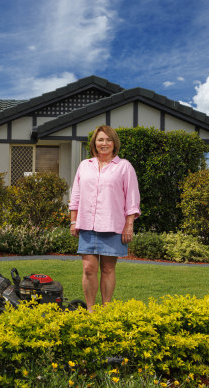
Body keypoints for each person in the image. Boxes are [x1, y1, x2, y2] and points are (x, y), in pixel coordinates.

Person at [69, 125, 140, 312]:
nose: (104, 143)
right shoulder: (85, 166)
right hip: (87, 226)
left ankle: (106, 309)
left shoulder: (124, 167)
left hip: (112, 226)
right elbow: (75, 195)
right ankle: (91, 311)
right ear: (94, 143)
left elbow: (132, 198)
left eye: (108, 140)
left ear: (114, 143)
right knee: (88, 269)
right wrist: (73, 220)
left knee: (108, 269)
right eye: (100, 139)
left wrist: (129, 225)